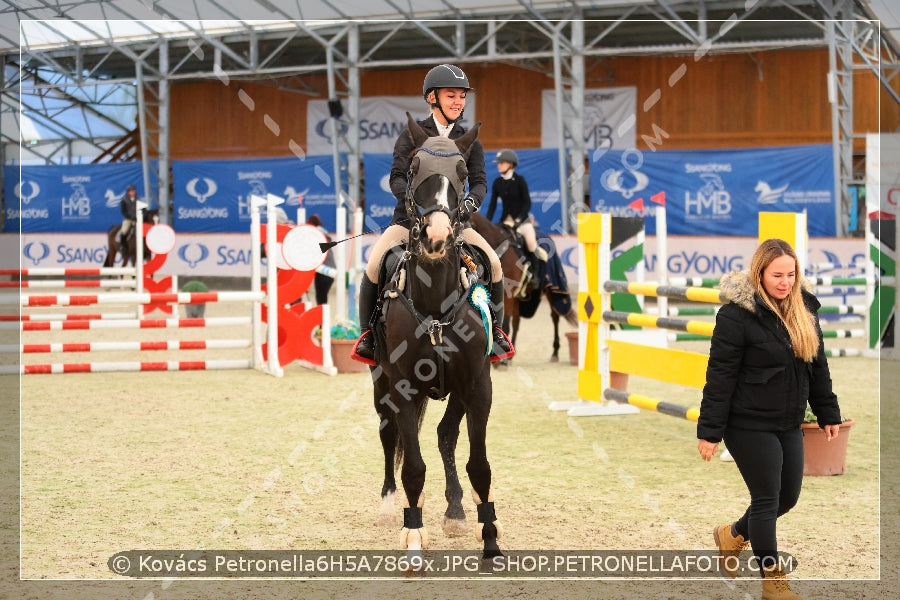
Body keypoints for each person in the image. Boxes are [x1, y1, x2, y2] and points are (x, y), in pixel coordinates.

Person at [696, 238, 843, 600]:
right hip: (745, 423)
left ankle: (732, 535)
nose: (785, 282)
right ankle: (773, 582)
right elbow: (720, 376)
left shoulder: (805, 307)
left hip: (787, 421)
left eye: (791, 274)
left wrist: (828, 411)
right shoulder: (735, 315)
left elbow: (816, 365)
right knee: (766, 499)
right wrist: (710, 431)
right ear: (759, 273)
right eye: (777, 275)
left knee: (786, 499)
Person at [352, 64, 513, 365]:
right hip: (408, 221)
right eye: (451, 95)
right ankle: (368, 337)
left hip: (456, 223)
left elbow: (479, 182)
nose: (458, 102)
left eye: (462, 96)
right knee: (374, 266)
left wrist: (468, 206)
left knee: (493, 262)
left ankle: (498, 335)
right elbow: (397, 177)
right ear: (432, 98)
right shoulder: (412, 135)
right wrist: (414, 207)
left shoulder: (469, 140)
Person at [486, 149, 548, 270]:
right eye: (498, 163)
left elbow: (527, 203)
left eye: (501, 163)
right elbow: (492, 205)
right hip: (505, 222)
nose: (499, 165)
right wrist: (488, 222)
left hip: (522, 221)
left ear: (510, 164)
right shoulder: (497, 182)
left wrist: (519, 219)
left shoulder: (520, 180)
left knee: (531, 244)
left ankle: (535, 276)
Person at [307, 214, 335, 306]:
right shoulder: (323, 234)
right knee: (322, 297)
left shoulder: (315, 235)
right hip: (331, 269)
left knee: (321, 298)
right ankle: (323, 317)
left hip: (323, 271)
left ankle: (322, 318)